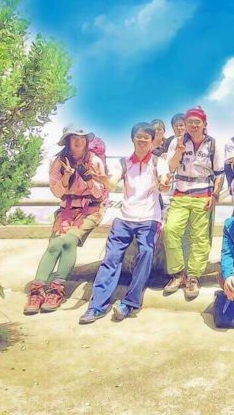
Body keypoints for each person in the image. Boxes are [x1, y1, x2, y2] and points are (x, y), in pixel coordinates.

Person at [79, 123, 171, 324]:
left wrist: (165, 183)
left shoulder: (158, 162)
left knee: (146, 253)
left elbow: (164, 181)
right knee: (111, 257)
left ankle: (130, 303)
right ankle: (96, 306)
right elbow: (112, 184)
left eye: (146, 137)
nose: (142, 140)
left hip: (149, 218)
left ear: (152, 141)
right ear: (132, 139)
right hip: (125, 217)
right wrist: (103, 180)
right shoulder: (123, 163)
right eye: (139, 136)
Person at [24, 126, 108, 315]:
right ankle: (37, 291)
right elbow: (57, 192)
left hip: (91, 208)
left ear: (87, 141)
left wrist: (88, 178)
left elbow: (100, 193)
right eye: (74, 137)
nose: (79, 141)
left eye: (82, 137)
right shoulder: (58, 162)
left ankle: (57, 289)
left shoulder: (94, 161)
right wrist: (67, 176)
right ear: (67, 141)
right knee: (55, 245)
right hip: (67, 209)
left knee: (69, 241)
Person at [164, 106, 224, 299]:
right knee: (170, 230)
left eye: (197, 122)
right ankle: (178, 274)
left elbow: (219, 174)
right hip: (180, 194)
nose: (193, 125)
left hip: (203, 196)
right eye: (190, 122)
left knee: (200, 238)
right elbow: (170, 168)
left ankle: (193, 277)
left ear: (204, 124)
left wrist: (215, 196)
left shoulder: (213, 144)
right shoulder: (177, 142)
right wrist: (178, 152)